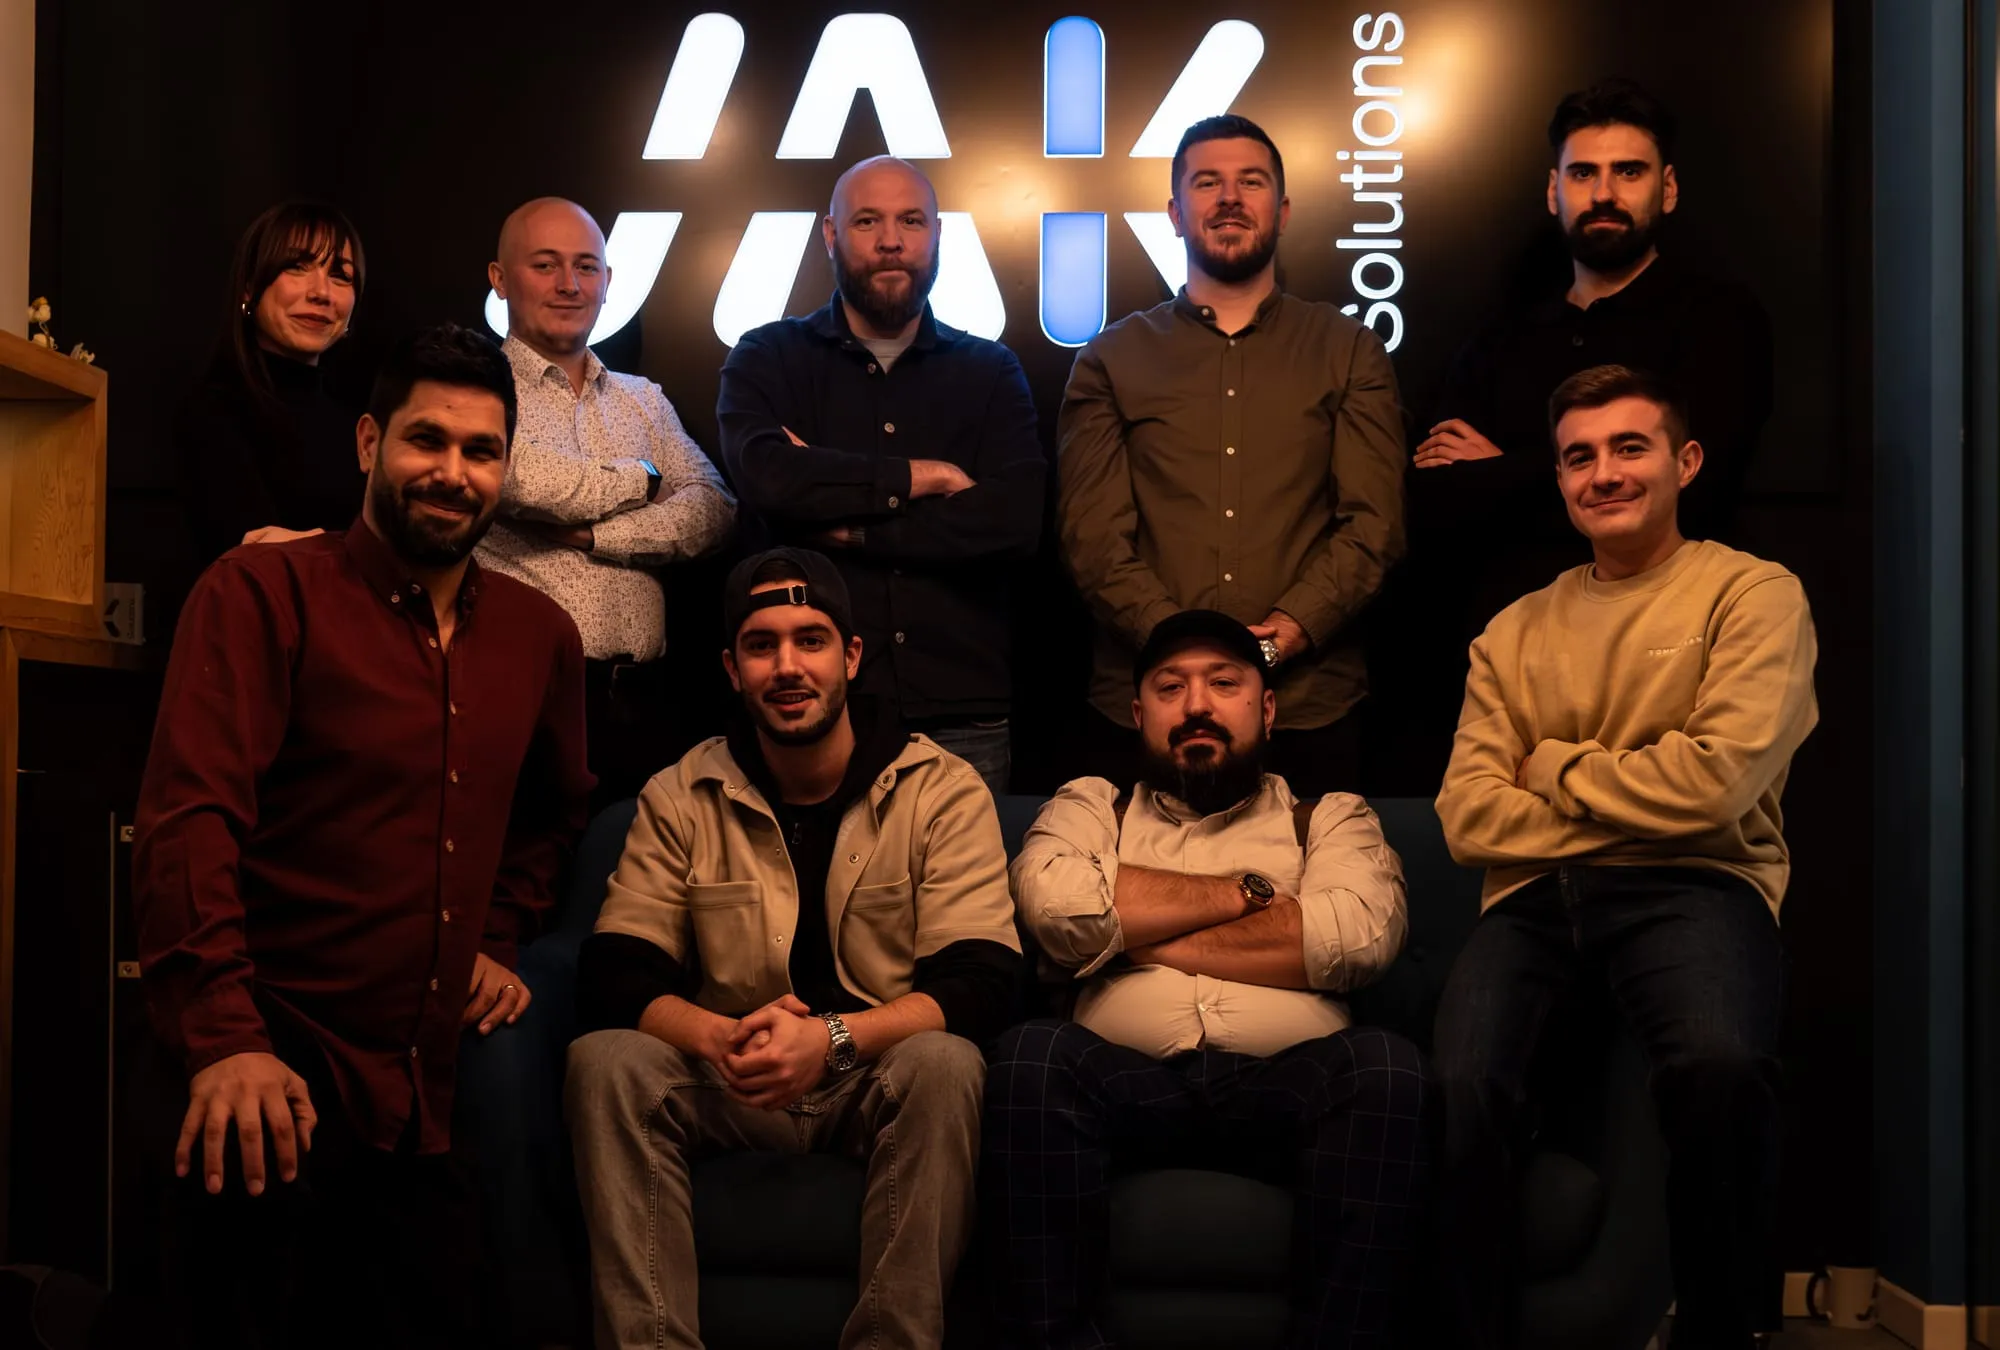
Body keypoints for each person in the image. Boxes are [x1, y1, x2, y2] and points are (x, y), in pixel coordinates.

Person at [132, 323, 594, 1348]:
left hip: (425, 1095)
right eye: (426, 440)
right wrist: (225, 1041)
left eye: (481, 451)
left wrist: (499, 936)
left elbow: (554, 814)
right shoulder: (260, 593)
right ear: (368, 443)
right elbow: (187, 821)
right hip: (266, 1067)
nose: (453, 473)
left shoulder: (540, 636)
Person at [1432, 365, 1817, 1350]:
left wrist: (1553, 764)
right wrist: (1644, 799)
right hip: (1531, 899)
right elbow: (1468, 820)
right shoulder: (1509, 634)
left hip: (1700, 885)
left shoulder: (1751, 595)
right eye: (1578, 457)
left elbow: (1715, 788)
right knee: (1456, 1090)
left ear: (1685, 462)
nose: (1602, 473)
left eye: (1628, 447)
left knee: (1721, 1067)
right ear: (1560, 479)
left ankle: (1720, 1333)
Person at [565, 546, 1024, 1350]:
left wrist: (832, 1039)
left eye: (811, 640)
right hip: (732, 1075)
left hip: (872, 1076)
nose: (787, 666)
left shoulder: (941, 789)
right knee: (604, 1060)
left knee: (946, 1063)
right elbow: (616, 969)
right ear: (731, 668)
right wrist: (719, 1038)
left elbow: (984, 979)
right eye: (761, 645)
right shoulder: (682, 792)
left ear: (851, 655)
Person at [988, 608, 1430, 1349]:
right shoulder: (1091, 806)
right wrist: (1248, 898)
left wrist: (1127, 936)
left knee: (1387, 1067)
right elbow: (1056, 911)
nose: (1196, 705)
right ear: (1138, 715)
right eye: (1171, 688)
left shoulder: (1328, 818)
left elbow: (1356, 937)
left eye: (1224, 684)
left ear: (1267, 708)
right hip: (1122, 1086)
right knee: (1031, 1055)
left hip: (1290, 1086)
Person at [1058, 115, 1405, 797]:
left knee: (1317, 872)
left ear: (1283, 210)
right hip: (1148, 714)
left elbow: (1375, 526)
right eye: (1207, 183)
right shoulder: (1110, 359)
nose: (1229, 198)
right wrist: (1187, 655)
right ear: (1174, 214)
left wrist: (1277, 641)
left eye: (1251, 182)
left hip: (1308, 709)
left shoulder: (1349, 350)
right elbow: (1090, 540)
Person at [717, 156, 1044, 795]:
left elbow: (1013, 522)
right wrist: (924, 477)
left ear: (937, 235)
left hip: (961, 715)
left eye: (911, 221)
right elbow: (770, 480)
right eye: (867, 221)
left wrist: (850, 527)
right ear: (831, 234)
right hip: (809, 716)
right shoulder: (766, 357)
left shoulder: (990, 372)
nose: (891, 240)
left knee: (973, 869)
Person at [1414, 76, 1774, 638]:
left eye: (1628, 171)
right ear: (1554, 190)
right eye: (1583, 173)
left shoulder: (1720, 319)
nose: (1604, 193)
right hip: (1508, 643)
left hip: (1665, 638)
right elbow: (1441, 497)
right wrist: (1609, 480)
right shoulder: (1501, 334)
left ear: (1668, 188)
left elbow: (1696, 491)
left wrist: (1501, 470)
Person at [479, 196, 736, 803]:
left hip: (646, 706)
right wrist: (643, 479)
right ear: (500, 280)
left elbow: (714, 508)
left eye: (586, 266)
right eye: (545, 265)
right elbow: (519, 480)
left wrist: (598, 536)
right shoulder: (477, 387)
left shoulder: (643, 398)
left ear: (607, 281)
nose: (569, 285)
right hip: (520, 700)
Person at [175, 201, 368, 562]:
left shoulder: (360, 427)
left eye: (341, 275)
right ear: (249, 288)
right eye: (297, 266)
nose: (322, 292)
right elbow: (254, 555)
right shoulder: (213, 411)